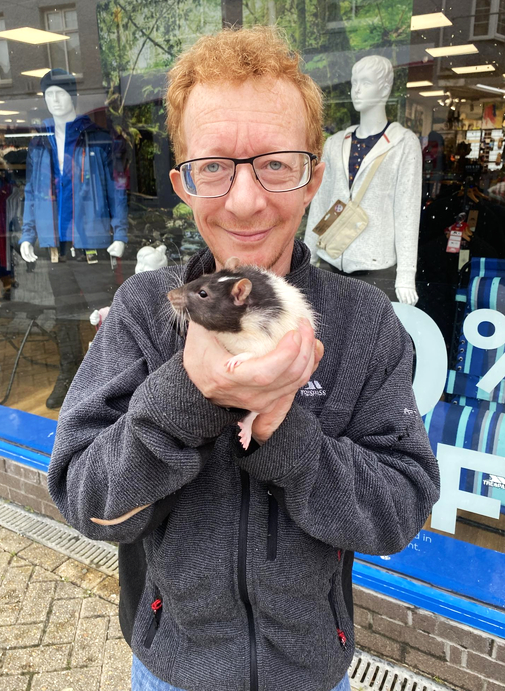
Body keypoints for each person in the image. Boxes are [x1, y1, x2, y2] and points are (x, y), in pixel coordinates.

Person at [47, 26, 440, 691]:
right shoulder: (146, 311)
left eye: (275, 163)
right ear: (182, 182)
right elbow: (87, 501)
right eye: (215, 166)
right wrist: (188, 388)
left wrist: (282, 424)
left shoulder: (363, 322)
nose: (246, 199)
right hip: (171, 668)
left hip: (312, 671)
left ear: (314, 175)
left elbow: (397, 511)